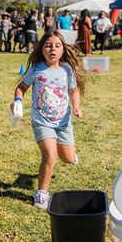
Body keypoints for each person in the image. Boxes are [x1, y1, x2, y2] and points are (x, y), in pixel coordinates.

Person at [11, 31, 86, 209]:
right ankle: (41, 193)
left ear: (62, 50)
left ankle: (71, 155)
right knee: (49, 156)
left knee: (67, 159)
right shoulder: (35, 70)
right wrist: (17, 100)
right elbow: (21, 87)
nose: (52, 49)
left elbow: (74, 91)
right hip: (41, 120)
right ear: (41, 49)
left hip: (63, 123)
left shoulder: (67, 69)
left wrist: (76, 106)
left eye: (57, 46)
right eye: (48, 45)